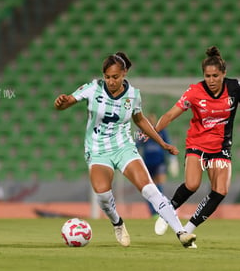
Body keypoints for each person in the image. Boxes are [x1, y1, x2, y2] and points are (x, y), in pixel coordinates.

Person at [54, 52, 196, 248]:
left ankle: (181, 233)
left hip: (124, 147)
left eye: (115, 77)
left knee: (149, 189)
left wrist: (162, 142)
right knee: (103, 196)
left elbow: (140, 120)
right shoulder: (93, 88)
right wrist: (62, 103)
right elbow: (68, 101)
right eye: (107, 77)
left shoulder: (133, 95)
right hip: (98, 150)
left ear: (124, 74)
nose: (111, 81)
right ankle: (118, 224)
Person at [153, 46, 240, 248]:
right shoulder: (194, 92)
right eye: (207, 75)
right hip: (197, 144)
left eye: (215, 75)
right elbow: (169, 115)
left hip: (221, 147)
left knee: (220, 191)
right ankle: (168, 211)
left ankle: (187, 231)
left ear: (223, 74)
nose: (211, 80)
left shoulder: (235, 88)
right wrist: (153, 132)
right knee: (192, 185)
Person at [136, 113, 178, 217]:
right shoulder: (143, 132)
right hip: (147, 163)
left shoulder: (162, 132)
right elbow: (137, 145)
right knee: (149, 188)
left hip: (159, 162)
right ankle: (153, 211)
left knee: (159, 185)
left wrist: (173, 160)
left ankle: (162, 209)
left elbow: (167, 143)